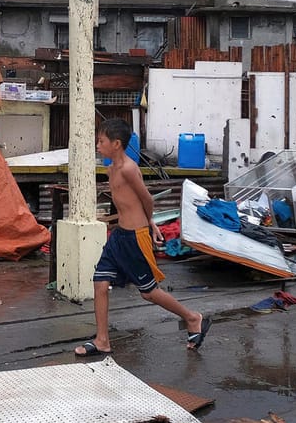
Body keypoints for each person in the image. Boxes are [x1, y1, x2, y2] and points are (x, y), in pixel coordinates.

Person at [75, 118, 209, 357]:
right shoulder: (110, 168)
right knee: (100, 282)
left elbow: (146, 198)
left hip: (135, 238)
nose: (97, 144)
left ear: (116, 144)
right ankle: (102, 340)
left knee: (148, 292)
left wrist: (150, 223)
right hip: (119, 237)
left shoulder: (128, 168)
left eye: (101, 141)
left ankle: (192, 317)